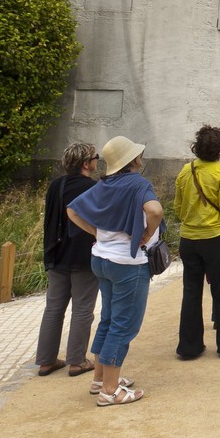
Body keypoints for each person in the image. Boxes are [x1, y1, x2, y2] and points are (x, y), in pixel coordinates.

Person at [66, 136, 163, 406]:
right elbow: (155, 210)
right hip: (127, 264)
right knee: (123, 325)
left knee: (108, 319)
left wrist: (97, 233)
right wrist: (146, 233)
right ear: (133, 160)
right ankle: (110, 390)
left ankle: (100, 379)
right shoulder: (138, 183)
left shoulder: (105, 184)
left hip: (101, 259)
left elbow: (72, 211)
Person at [173, 125, 220, 360]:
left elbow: (177, 206)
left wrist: (191, 219)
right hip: (216, 237)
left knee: (191, 291)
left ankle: (189, 346)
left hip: (189, 238)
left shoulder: (186, 170)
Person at [34, 141, 99, 377]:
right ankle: (77, 360)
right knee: (83, 308)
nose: (97, 160)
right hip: (83, 254)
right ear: (85, 163)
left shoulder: (55, 185)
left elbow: (49, 220)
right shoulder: (93, 188)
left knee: (54, 308)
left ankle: (45, 360)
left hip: (57, 252)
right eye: (95, 157)